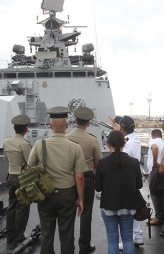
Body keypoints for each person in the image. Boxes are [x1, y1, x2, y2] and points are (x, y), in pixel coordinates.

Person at [27, 106, 88, 254]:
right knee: (67, 234)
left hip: (45, 194)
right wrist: (80, 199)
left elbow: (29, 169)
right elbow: (79, 176)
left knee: (46, 233)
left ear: (50, 126)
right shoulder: (75, 148)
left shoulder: (39, 145)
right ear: (67, 126)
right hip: (66, 195)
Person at [95, 130, 143, 254]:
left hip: (109, 206)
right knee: (127, 239)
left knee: (112, 240)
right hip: (128, 205)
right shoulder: (134, 162)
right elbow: (139, 185)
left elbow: (98, 187)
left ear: (108, 143)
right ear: (124, 144)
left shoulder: (102, 163)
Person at [66, 107, 101, 254]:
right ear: (88, 123)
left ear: (75, 120)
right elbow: (98, 163)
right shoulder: (92, 140)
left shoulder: (66, 138)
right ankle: (84, 245)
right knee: (85, 212)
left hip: (68, 179)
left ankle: (68, 246)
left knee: (68, 213)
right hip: (86, 179)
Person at [110, 115, 144, 247]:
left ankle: (127, 239)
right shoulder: (134, 138)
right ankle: (138, 235)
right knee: (133, 206)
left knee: (126, 210)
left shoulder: (128, 144)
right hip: (133, 176)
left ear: (122, 127)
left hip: (125, 177)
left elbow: (121, 157)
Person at [3, 114, 32, 246]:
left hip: (11, 176)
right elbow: (30, 163)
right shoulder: (24, 144)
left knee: (12, 205)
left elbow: (6, 158)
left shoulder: (7, 141)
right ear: (25, 129)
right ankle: (19, 236)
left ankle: (10, 235)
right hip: (22, 178)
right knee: (23, 207)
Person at [146, 129, 164, 226]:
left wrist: (154, 163)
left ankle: (158, 217)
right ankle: (161, 215)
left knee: (154, 193)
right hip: (162, 170)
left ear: (152, 135)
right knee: (161, 194)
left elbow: (154, 148)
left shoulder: (153, 141)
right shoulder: (163, 142)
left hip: (155, 170)